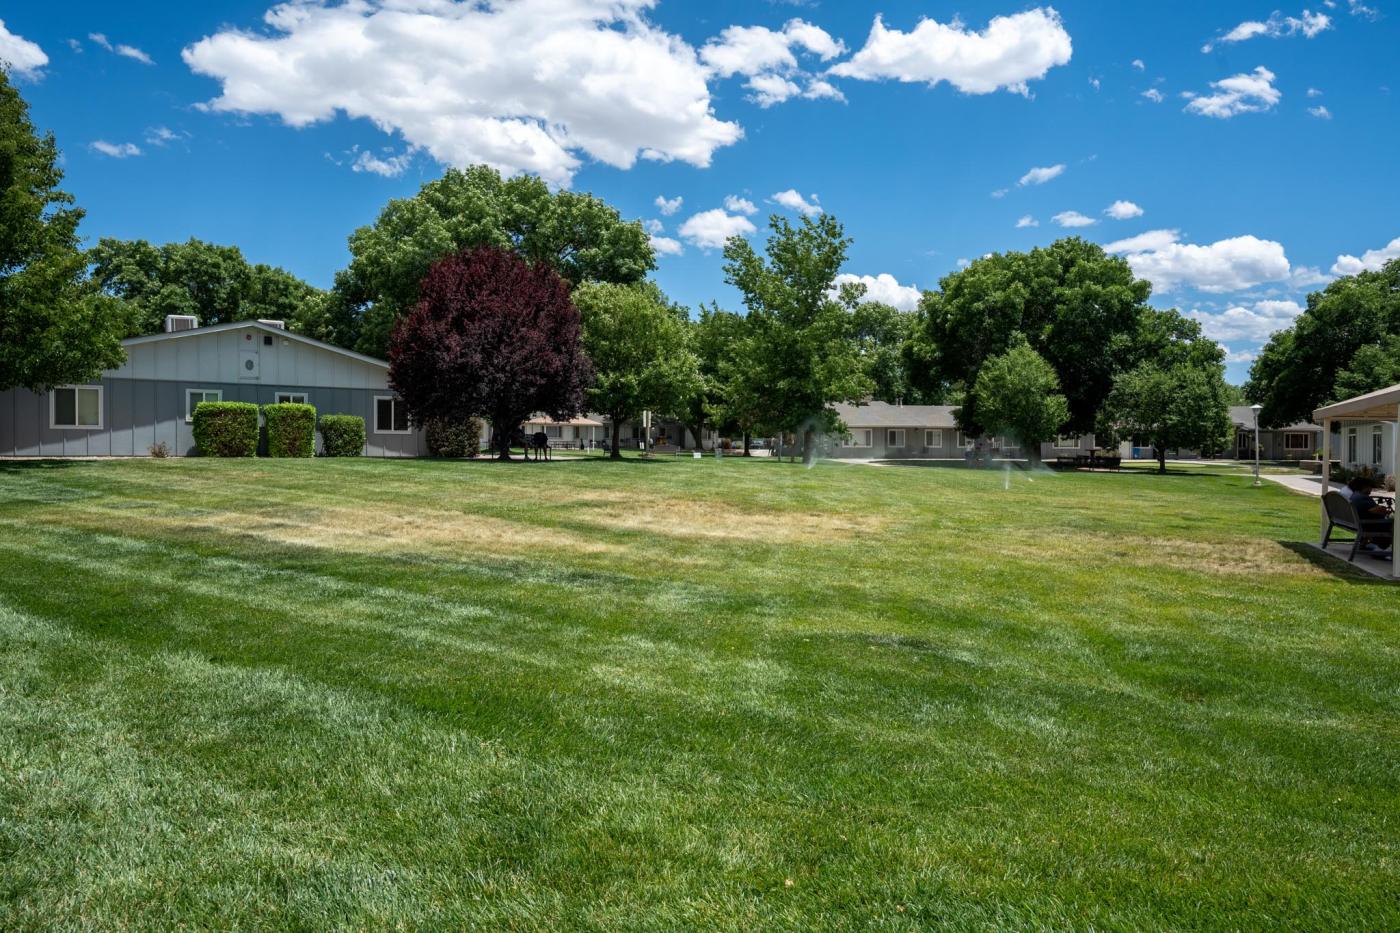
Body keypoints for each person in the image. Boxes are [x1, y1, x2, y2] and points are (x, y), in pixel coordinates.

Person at [1346, 476, 1393, 554]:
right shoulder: (1363, 498)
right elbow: (1377, 510)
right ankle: (1383, 549)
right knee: (1394, 525)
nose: (1371, 489)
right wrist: (1385, 510)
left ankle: (1365, 544)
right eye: (1370, 487)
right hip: (1368, 525)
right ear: (1365, 487)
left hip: (1358, 524)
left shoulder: (1355, 495)